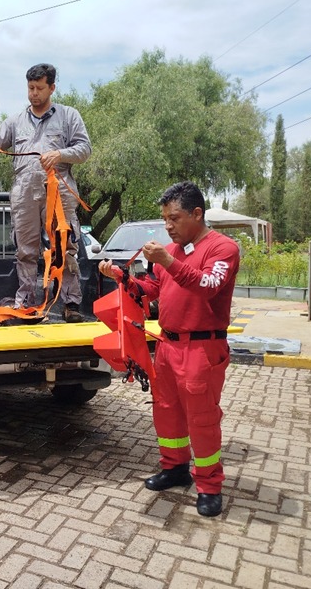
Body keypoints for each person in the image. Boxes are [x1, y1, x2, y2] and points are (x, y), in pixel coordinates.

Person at [98, 181, 240, 517]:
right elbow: (152, 291)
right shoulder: (170, 252)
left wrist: (167, 260)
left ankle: (208, 484)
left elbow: (208, 285)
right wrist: (123, 278)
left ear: (196, 213)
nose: (168, 226)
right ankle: (175, 468)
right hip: (167, 344)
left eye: (174, 218)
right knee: (166, 411)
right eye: (164, 219)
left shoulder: (223, 249)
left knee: (202, 420)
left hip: (202, 348)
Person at [0, 63, 91, 322]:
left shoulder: (69, 115)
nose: (34, 93)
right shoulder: (15, 121)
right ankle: (26, 302)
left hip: (59, 188)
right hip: (24, 192)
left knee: (63, 247)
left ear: (51, 87)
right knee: (25, 250)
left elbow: (85, 149)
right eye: (30, 88)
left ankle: (71, 304)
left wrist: (61, 154)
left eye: (40, 88)